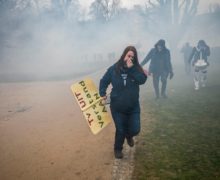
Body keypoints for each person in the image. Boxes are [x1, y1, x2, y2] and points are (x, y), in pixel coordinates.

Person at [99, 46, 147, 159]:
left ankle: (129, 135)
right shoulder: (114, 68)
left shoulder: (136, 68)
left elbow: (142, 80)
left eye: (132, 57)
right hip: (117, 106)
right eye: (128, 55)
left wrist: (132, 69)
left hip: (133, 106)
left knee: (135, 129)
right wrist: (102, 92)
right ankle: (117, 149)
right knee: (120, 129)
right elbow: (104, 81)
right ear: (124, 55)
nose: (130, 58)